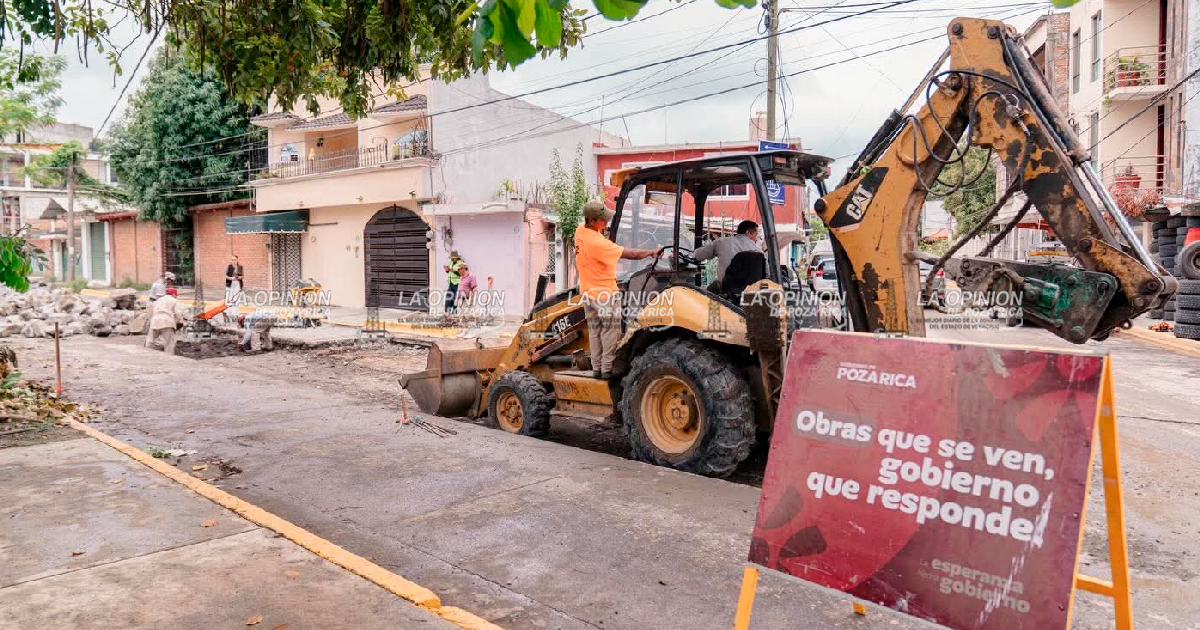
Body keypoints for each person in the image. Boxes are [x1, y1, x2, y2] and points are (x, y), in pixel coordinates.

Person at [575, 201, 661, 379]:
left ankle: (597, 368)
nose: (606, 222)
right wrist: (651, 252)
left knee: (595, 331)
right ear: (591, 220)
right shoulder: (599, 243)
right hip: (604, 294)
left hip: (587, 292)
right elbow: (631, 254)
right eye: (602, 220)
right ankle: (608, 369)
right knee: (610, 331)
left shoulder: (580, 232)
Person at [694, 220, 761, 288]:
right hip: (751, 293)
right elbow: (766, 273)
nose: (756, 238)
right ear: (747, 232)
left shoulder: (721, 242)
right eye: (756, 234)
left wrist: (691, 255)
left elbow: (698, 255)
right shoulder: (759, 251)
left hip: (725, 290)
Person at [145, 287, 181, 353]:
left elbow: (150, 312)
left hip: (155, 321)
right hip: (167, 322)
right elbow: (178, 313)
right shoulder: (174, 300)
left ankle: (147, 354)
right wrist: (179, 321)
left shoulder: (158, 300)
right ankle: (169, 359)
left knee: (150, 341)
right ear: (174, 294)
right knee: (169, 343)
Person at [225, 255, 244, 322]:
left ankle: (235, 314)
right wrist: (231, 278)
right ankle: (228, 313)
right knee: (230, 299)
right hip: (230, 284)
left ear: (237, 260)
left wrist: (239, 277)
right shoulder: (228, 266)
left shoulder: (240, 267)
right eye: (232, 259)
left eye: (235, 259)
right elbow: (226, 276)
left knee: (236, 299)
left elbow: (242, 276)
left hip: (237, 284)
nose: (233, 261)